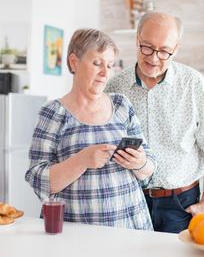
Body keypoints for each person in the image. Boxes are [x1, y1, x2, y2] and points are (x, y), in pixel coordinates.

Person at [106, 12, 204, 233]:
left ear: (176, 49)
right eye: (147, 47)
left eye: (164, 51)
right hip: (130, 199)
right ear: (137, 39)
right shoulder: (115, 86)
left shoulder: (193, 83)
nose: (153, 58)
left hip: (181, 204)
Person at [25, 28, 156, 230]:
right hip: (76, 234)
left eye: (110, 65)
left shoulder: (122, 105)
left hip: (131, 228)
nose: (105, 73)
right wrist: (81, 160)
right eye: (97, 63)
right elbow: (37, 178)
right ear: (74, 62)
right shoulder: (53, 113)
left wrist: (140, 163)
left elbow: (149, 167)